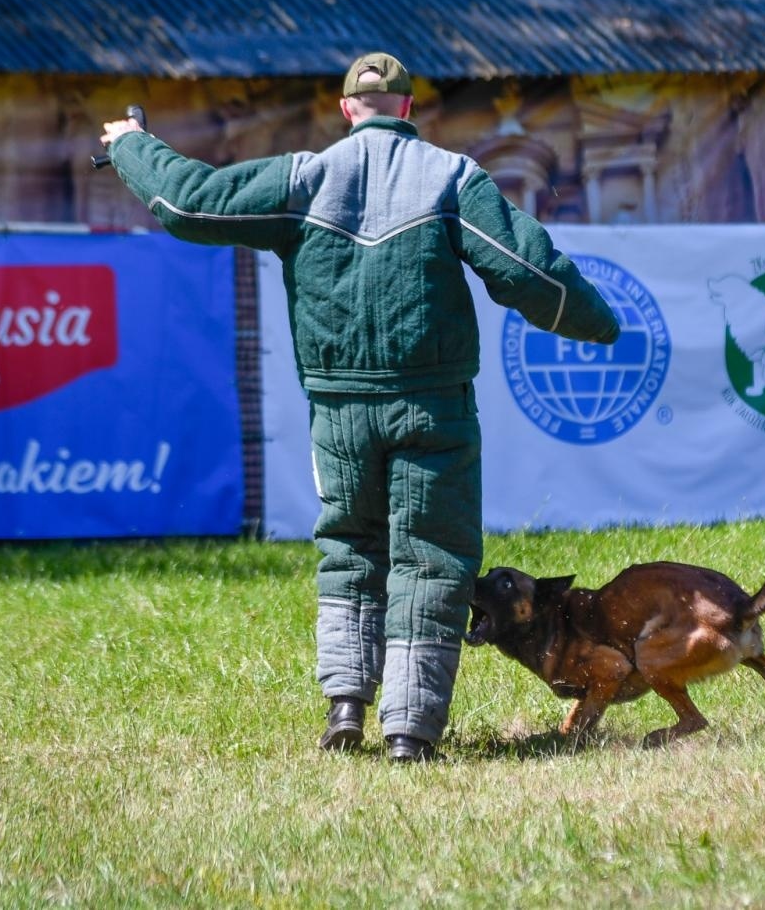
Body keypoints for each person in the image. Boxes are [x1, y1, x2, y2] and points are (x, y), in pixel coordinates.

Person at [100, 53, 619, 762]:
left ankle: (346, 706)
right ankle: (411, 732)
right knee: (432, 561)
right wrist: (598, 322)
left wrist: (129, 143)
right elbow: (527, 269)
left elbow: (188, 202)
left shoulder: (302, 178)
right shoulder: (452, 177)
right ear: (409, 108)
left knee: (350, 549)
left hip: (339, 412)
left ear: (348, 110)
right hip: (432, 409)